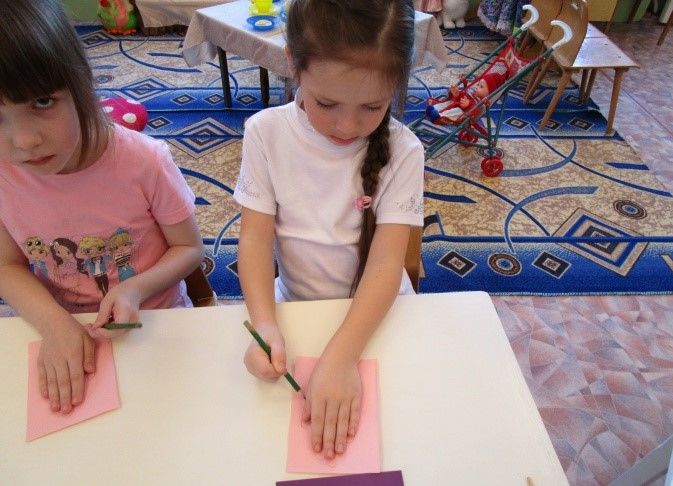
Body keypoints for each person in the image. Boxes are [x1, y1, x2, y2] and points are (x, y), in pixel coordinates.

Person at [234, 0, 424, 460]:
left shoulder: (405, 151)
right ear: (292, 63)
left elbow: (387, 263)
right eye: (326, 103)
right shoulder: (264, 133)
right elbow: (255, 239)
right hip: (295, 309)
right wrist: (264, 324)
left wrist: (340, 357)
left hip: (378, 317)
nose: (347, 125)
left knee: (406, 434)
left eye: (372, 106)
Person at [0, 0, 204, 414]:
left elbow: (189, 248)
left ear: (82, 82)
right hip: (58, 329)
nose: (24, 141)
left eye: (43, 102)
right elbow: (7, 266)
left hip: (157, 323)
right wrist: (55, 323)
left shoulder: (144, 161)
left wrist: (134, 288)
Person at [426, 64, 508, 125]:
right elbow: (463, 94)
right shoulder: (472, 92)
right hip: (457, 102)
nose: (477, 87)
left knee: (454, 112)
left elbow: (474, 112)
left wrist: (468, 105)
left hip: (463, 112)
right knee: (448, 103)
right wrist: (457, 94)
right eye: (478, 84)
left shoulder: (481, 103)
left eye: (481, 87)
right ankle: (434, 108)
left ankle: (440, 117)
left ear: (489, 93)